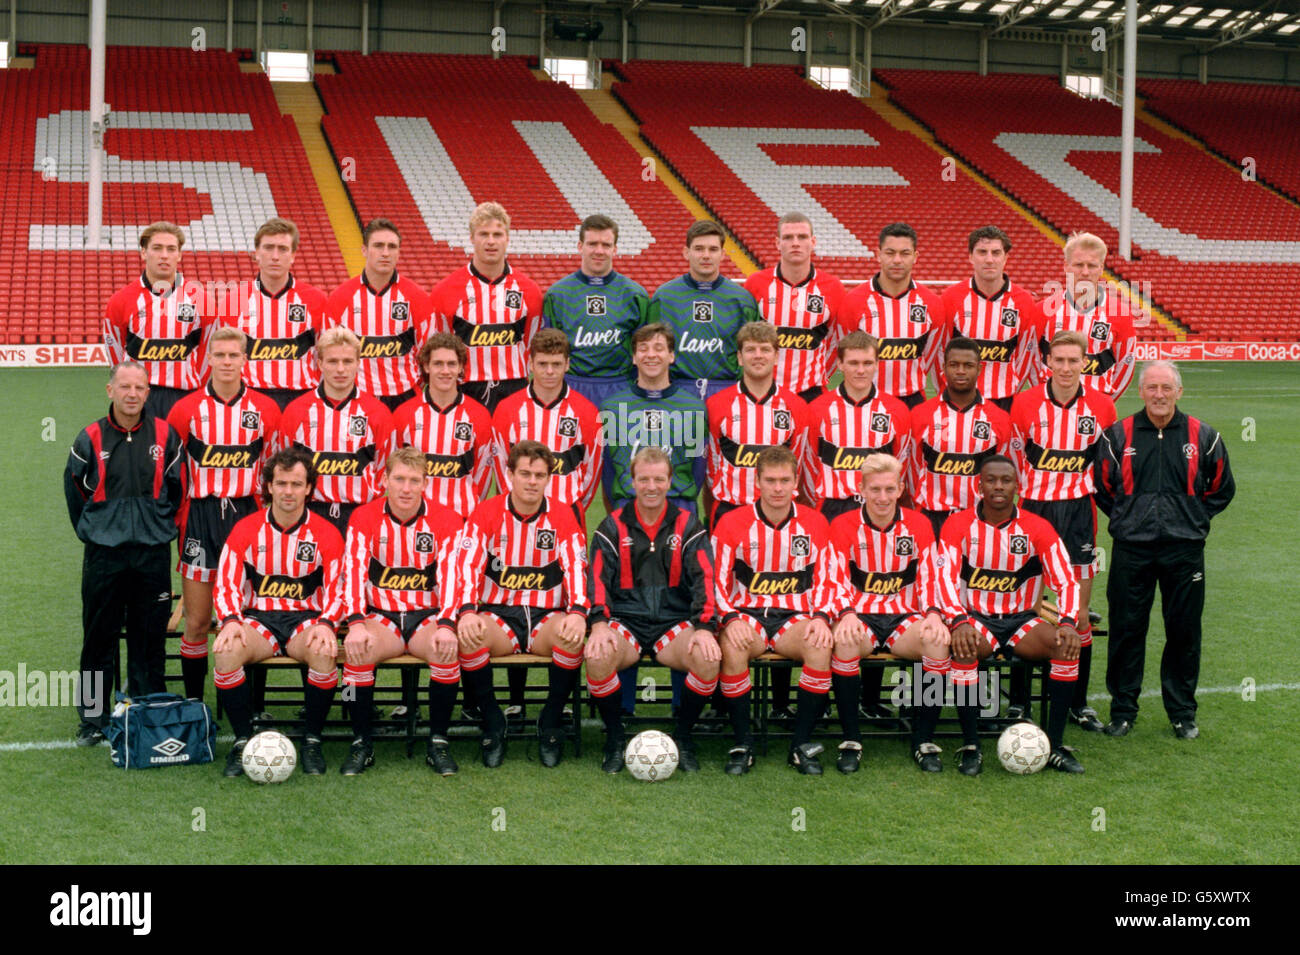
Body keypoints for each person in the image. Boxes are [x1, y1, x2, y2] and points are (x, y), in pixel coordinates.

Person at [1094, 360, 1234, 740]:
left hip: (1184, 552)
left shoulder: (1204, 436)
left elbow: (1222, 488)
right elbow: (1103, 488)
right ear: (1141, 392)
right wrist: (1129, 519)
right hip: (1131, 550)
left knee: (1184, 631)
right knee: (1126, 629)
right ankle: (1123, 711)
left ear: (1178, 392)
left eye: (1166, 388)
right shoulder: (1116, 436)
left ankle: (1183, 713)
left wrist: (1190, 519)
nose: (1159, 395)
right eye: (1152, 387)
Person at [64, 361, 186, 745]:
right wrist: (101, 530)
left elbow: (177, 491)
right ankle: (92, 718)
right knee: (97, 636)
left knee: (149, 636)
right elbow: (75, 494)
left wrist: (155, 525)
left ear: (148, 393)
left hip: (151, 553)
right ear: (110, 390)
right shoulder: (89, 438)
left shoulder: (167, 436)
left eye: (140, 388)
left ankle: (148, 708)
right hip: (105, 555)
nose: (132, 394)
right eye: (125, 387)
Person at [940, 456, 1085, 774]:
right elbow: (945, 580)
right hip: (976, 617)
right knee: (962, 648)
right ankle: (971, 745)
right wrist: (958, 620)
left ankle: (1056, 745)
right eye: (991, 480)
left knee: (1065, 645)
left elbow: (1066, 579)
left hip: (1022, 619)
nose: (998, 486)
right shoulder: (958, 524)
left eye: (1006, 480)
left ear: (1017, 486)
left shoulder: (1037, 527)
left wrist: (1069, 622)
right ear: (979, 484)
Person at [584, 448, 722, 773]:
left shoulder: (689, 526)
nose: (651, 486)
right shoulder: (611, 526)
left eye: (659, 479)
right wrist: (600, 624)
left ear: (669, 481)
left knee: (707, 658)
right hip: (626, 624)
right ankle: (615, 738)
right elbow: (597, 580)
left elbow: (706, 579)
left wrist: (704, 627)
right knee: (598, 656)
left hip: (673, 625)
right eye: (644, 479)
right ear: (632, 482)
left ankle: (683, 737)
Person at [453, 440, 589, 768]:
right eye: (525, 473)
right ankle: (493, 721)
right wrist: (467, 610)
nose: (532, 481)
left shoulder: (563, 514)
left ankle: (551, 722)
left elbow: (575, 566)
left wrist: (580, 611)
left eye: (539, 475)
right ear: (509, 474)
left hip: (547, 614)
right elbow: (467, 565)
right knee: (469, 638)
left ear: (548, 479)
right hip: (499, 613)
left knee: (572, 639)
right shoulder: (486, 511)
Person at [212, 447, 345, 777]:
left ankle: (312, 740)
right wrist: (229, 620)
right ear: (269, 486)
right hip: (259, 620)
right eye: (282, 483)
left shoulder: (326, 533)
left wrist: (328, 624)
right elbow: (226, 583)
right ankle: (243, 741)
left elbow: (340, 589)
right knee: (227, 652)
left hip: (307, 620)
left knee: (323, 652)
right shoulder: (245, 529)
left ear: (309, 488)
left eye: (297, 484)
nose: (289, 491)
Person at [1009, 329, 1117, 733]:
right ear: (1048, 362)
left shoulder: (1103, 407)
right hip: (1033, 512)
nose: (1067, 367)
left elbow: (1105, 466)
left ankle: (1077, 703)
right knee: (1023, 607)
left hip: (1077, 512)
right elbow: (1014, 460)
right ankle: (1019, 702)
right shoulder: (1025, 403)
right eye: (1060, 360)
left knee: (1079, 613)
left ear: (1084, 363)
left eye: (1075, 360)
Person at [166, 327, 282, 700]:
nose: (228, 362)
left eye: (235, 355)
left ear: (245, 360)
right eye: (220, 355)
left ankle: (255, 706)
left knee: (251, 619)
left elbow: (273, 469)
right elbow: (174, 472)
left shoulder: (265, 409)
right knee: (198, 620)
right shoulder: (185, 409)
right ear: (209, 359)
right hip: (201, 518)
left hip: (247, 518)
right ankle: (195, 707)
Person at [712, 446, 842, 775]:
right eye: (770, 480)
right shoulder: (731, 522)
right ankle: (743, 744)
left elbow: (830, 578)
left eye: (785, 480)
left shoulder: (814, 522)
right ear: (757, 482)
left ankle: (800, 745)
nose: (778, 488)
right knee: (732, 645)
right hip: (747, 615)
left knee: (820, 644)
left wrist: (821, 618)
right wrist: (729, 619)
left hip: (796, 617)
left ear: (796, 481)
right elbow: (713, 581)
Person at [336, 447, 466, 775]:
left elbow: (454, 576)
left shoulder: (447, 519)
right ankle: (361, 741)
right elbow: (352, 572)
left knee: (445, 651)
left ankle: (438, 741)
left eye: (413, 480)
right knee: (357, 654)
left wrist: (448, 623)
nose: (406, 488)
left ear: (426, 483)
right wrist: (355, 623)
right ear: (385, 480)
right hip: (381, 616)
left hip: (427, 615)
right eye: (399, 479)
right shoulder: (364, 517)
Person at [829, 454, 961, 773]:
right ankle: (851, 740)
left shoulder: (919, 524)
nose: (883, 497)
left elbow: (930, 575)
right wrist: (845, 613)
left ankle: (923, 739)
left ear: (901, 487)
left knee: (936, 641)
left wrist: (932, 613)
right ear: (861, 489)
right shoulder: (842, 525)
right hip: (859, 615)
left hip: (905, 616)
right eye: (875, 489)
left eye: (889, 489)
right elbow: (832, 578)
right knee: (845, 643)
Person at [277, 327, 393, 538]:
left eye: (347, 361)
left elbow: (384, 470)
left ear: (359, 363)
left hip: (361, 514)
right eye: (332, 361)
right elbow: (284, 467)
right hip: (310, 513)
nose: (340, 369)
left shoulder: (378, 413)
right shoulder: (296, 411)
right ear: (320, 364)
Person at [429, 202, 542, 412]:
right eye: (483, 234)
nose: (491, 241)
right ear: (472, 238)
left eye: (497, 234)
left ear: (507, 238)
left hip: (515, 386)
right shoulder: (445, 291)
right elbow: (441, 347)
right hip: (464, 388)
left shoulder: (529, 291)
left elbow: (531, 344)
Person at [492, 329, 604, 532]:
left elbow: (591, 472)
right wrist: (519, 505)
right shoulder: (507, 409)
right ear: (531, 363)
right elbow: (502, 469)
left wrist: (569, 505)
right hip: (518, 515)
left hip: (567, 514)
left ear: (567, 364)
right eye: (543, 364)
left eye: (556, 364)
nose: (550, 371)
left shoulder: (587, 412)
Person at [705, 321, 811, 528]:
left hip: (778, 513)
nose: (758, 355)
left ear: (776, 356)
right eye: (750, 350)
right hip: (730, 509)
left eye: (765, 349)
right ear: (740, 358)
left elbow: (796, 463)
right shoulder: (717, 404)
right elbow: (712, 466)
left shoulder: (796, 406)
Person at [599, 322, 708, 518]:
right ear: (634, 357)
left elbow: (698, 472)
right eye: (643, 349)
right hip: (627, 509)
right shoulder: (612, 407)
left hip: (679, 510)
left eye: (659, 348)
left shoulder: (694, 408)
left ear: (671, 355)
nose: (651, 355)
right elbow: (608, 472)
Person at [103, 222, 211, 419]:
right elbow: (116, 353)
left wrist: (199, 390)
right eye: (157, 248)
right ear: (144, 253)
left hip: (186, 395)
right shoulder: (121, 300)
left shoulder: (201, 299)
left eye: (171, 249)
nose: (164, 255)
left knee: (183, 450)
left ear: (179, 255)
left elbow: (208, 350)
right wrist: (129, 388)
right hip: (141, 397)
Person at [325, 217, 435, 411]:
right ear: (364, 250)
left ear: (399, 252)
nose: (385, 253)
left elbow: (427, 354)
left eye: (392, 246)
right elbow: (328, 355)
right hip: (355, 398)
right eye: (378, 246)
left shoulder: (417, 298)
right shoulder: (340, 299)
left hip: (406, 397)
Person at [543, 214, 650, 410]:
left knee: (618, 441)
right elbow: (548, 350)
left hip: (620, 387)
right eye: (592, 244)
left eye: (606, 245)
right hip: (571, 386)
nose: (599, 251)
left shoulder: (635, 295)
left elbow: (644, 350)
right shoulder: (558, 295)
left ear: (615, 249)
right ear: (580, 246)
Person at [909, 336, 1012, 540]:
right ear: (943, 368)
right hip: (931, 517)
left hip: (979, 518)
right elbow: (912, 467)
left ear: (979, 369)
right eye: (954, 365)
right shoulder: (921, 415)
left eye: (968, 365)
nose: (961, 371)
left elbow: (1003, 472)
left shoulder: (999, 419)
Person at [804, 331, 911, 522]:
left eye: (867, 363)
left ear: (877, 364)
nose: (860, 370)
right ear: (840, 364)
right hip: (832, 506)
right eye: (853, 363)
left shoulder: (897, 410)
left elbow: (901, 463)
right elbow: (809, 464)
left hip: (879, 506)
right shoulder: (817, 409)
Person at [222, 217, 328, 410]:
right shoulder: (234, 301)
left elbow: (327, 354)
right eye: (268, 248)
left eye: (283, 249)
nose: (275, 256)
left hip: (302, 399)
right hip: (250, 399)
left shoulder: (316, 300)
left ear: (293, 255)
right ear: (257, 254)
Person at [647, 220, 759, 401]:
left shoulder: (742, 299)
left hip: (726, 390)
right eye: (699, 249)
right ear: (686, 252)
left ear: (723, 254)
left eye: (713, 250)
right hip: (677, 389)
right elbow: (648, 347)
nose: (706, 255)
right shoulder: (665, 297)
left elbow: (752, 351)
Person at [936, 225, 1045, 412]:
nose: (989, 259)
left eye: (996, 253)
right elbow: (940, 351)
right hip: (959, 399)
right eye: (982, 252)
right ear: (970, 256)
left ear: (1005, 258)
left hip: (1005, 401)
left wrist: (1009, 389)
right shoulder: (951, 298)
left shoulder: (1024, 301)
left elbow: (1025, 355)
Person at [836, 222, 944, 408]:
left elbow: (928, 357)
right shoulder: (853, 301)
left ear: (915, 257)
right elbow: (848, 356)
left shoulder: (932, 304)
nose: (897, 260)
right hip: (865, 401)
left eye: (904, 253)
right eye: (890, 253)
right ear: (878, 255)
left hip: (913, 402)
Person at [388, 333, 494, 520]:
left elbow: (482, 475)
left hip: (462, 516)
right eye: (438, 364)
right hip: (416, 518)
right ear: (426, 366)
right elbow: (395, 469)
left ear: (461, 367)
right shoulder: (404, 414)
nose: (445, 371)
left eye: (451, 364)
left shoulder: (478, 416)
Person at [744, 212, 846, 403]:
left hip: (812, 394)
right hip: (763, 392)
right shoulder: (756, 284)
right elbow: (743, 339)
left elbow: (839, 341)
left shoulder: (832, 287)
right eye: (788, 237)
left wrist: (821, 376)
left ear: (813, 242)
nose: (795, 243)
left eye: (802, 237)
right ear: (777, 243)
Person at [1037, 231, 1137, 399]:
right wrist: (1045, 400)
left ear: (1101, 268)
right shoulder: (1043, 310)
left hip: (1097, 412)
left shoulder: (1121, 314)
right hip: (1050, 409)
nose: (1085, 272)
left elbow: (1126, 366)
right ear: (1066, 266)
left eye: (1091, 265)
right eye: (1078, 265)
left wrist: (1104, 404)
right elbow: (1033, 361)